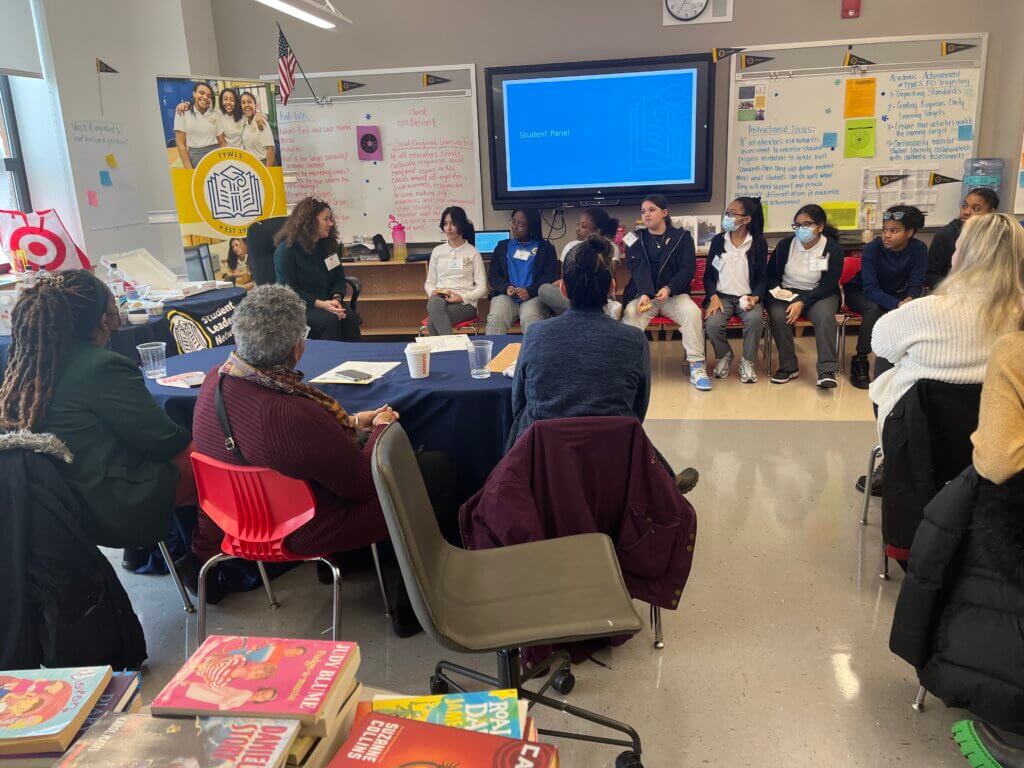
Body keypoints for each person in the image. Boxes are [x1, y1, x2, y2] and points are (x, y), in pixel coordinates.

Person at [187, 285, 456, 636]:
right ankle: (413, 607)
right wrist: (381, 428)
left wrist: (356, 421)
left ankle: (353, 561)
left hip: (238, 524)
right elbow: (361, 483)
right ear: (297, 346)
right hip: (299, 531)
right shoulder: (289, 414)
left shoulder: (214, 382)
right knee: (435, 469)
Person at [0, 270, 196, 548]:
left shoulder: (27, 366)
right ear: (104, 321)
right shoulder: (103, 366)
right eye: (115, 316)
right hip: (114, 506)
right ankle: (213, 551)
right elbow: (167, 442)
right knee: (212, 452)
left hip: (59, 504)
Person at [508, 236, 699, 491]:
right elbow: (637, 409)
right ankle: (663, 480)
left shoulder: (535, 334)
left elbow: (518, 402)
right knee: (622, 418)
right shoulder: (634, 339)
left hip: (540, 455)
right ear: (611, 287)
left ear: (563, 290)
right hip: (612, 451)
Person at [870, 212, 1024, 445]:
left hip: (917, 436)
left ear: (966, 256)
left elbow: (880, 343)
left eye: (958, 247)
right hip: (993, 436)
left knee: (888, 362)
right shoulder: (1017, 312)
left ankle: (888, 461)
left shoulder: (924, 311)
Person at [622, 194, 710, 391]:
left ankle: (697, 366)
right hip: (645, 297)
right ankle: (627, 368)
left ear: (664, 213)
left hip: (674, 295)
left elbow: (687, 269)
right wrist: (645, 292)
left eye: (651, 210)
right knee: (631, 314)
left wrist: (670, 288)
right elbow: (636, 267)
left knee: (692, 313)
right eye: (643, 211)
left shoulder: (683, 237)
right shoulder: (633, 238)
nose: (646, 214)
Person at [844, 205, 927, 389]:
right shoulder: (873, 249)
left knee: (913, 310)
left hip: (895, 295)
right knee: (873, 309)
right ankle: (860, 359)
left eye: (894, 231)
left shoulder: (919, 249)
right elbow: (870, 288)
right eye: (884, 230)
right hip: (860, 292)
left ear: (910, 232)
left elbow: (916, 282)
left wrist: (910, 299)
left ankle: (903, 360)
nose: (887, 235)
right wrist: (898, 303)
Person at [765, 204, 845, 388]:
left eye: (807, 224)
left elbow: (829, 283)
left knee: (825, 317)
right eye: (797, 225)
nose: (801, 229)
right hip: (787, 291)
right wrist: (779, 292)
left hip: (819, 293)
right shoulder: (785, 245)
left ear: (820, 227)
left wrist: (802, 302)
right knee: (778, 314)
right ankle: (789, 366)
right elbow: (771, 275)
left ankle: (826, 370)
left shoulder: (832, 248)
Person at [274, 197, 360, 342]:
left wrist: (336, 298)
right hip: (301, 307)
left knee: (349, 317)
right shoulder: (286, 251)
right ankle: (332, 363)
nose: (331, 224)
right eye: (326, 219)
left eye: (330, 219)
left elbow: (338, 278)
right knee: (329, 322)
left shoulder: (329, 246)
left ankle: (359, 362)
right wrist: (322, 304)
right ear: (310, 222)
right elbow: (288, 290)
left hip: (329, 303)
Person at [703, 196, 769, 384]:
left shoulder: (758, 242)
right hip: (721, 296)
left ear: (746, 219)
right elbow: (708, 275)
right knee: (713, 325)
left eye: (732, 213)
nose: (727, 217)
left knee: (756, 320)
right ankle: (724, 355)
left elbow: (763, 278)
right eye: (727, 213)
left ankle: (747, 362)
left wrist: (755, 297)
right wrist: (712, 296)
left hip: (747, 297)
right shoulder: (718, 241)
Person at [536, 207, 622, 319]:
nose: (578, 229)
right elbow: (566, 280)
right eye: (578, 225)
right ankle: (596, 313)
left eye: (584, 226)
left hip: (600, 296)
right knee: (544, 289)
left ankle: (584, 313)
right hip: (575, 297)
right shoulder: (570, 246)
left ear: (597, 231)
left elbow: (609, 282)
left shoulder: (609, 246)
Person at [485, 208, 558, 334]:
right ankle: (495, 354)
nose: (515, 227)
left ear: (532, 226)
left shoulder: (546, 248)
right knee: (496, 318)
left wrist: (529, 291)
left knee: (531, 318)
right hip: (506, 296)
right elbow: (493, 275)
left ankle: (532, 353)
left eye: (521, 224)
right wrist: (506, 287)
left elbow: (550, 276)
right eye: (514, 222)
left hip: (533, 296)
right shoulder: (502, 247)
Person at [424, 206, 486, 335]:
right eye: (445, 224)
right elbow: (429, 282)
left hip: (465, 304)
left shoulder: (472, 252)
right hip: (441, 300)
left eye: (452, 224)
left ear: (461, 225)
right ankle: (451, 348)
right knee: (434, 302)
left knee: (432, 322)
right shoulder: (437, 251)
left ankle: (446, 350)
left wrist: (462, 297)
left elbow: (483, 288)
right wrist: (432, 292)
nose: (448, 228)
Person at [924, 187, 999, 290]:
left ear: (991, 212)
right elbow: (930, 275)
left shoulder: (999, 236)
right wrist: (955, 287)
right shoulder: (946, 235)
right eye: (964, 206)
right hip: (952, 292)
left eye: (976, 209)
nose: (966, 212)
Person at [174, 82, 220, 169]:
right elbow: (181, 145)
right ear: (194, 94)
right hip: (195, 158)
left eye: (209, 96)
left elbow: (221, 141)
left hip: (215, 155)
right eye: (201, 93)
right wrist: (189, 169)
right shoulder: (182, 112)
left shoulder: (215, 115)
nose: (205, 97)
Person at [239, 91, 276, 166]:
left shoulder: (261, 121)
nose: (246, 105)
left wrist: (267, 172)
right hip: (252, 164)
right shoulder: (244, 123)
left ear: (255, 105)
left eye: (249, 102)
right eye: (243, 103)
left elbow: (271, 149)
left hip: (264, 164)